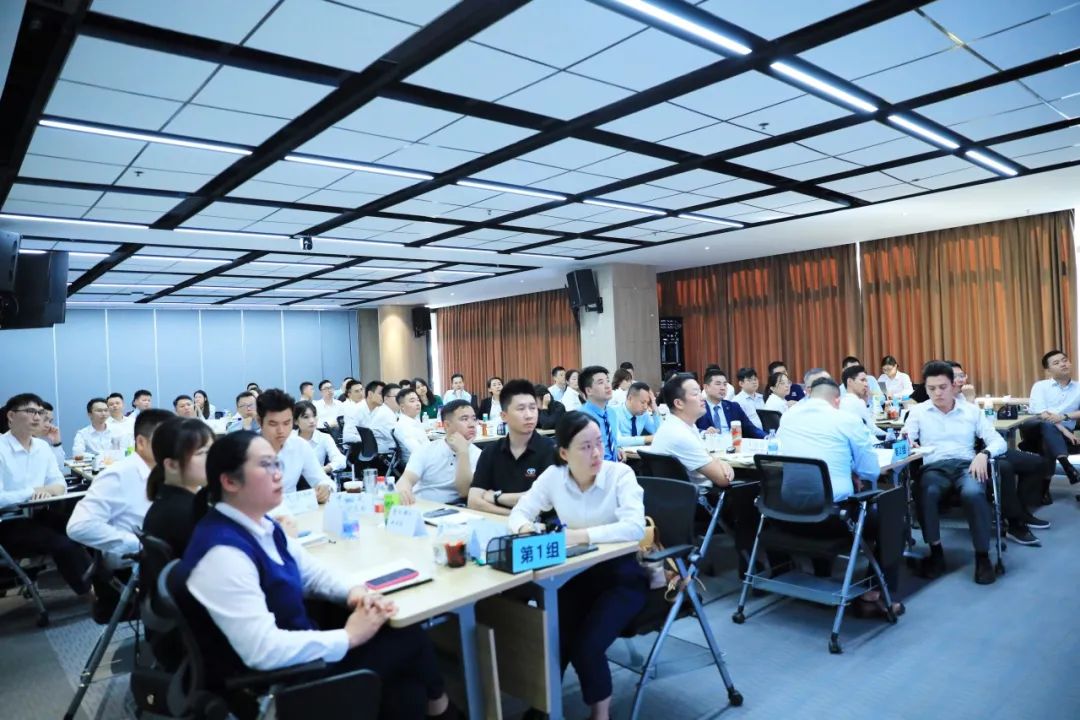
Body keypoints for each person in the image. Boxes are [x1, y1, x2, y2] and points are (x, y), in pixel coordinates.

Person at [182, 432, 457, 720]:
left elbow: (312, 573)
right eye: (266, 465)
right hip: (283, 680)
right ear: (229, 482)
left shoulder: (262, 525)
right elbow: (262, 650)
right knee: (408, 639)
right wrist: (349, 637)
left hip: (303, 653)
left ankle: (439, 711)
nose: (278, 474)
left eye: (277, 463)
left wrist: (355, 592)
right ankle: (445, 712)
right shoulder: (223, 553)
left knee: (407, 689)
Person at [509, 411, 646, 720]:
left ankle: (600, 714)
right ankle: (545, 706)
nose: (596, 453)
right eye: (585, 446)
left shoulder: (620, 475)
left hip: (620, 577)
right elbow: (520, 512)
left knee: (587, 648)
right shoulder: (554, 477)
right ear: (564, 453)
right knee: (552, 640)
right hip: (572, 577)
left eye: (599, 443)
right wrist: (527, 529)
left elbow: (635, 527)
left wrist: (578, 536)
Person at [776, 378, 904, 616]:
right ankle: (873, 594)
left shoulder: (788, 417)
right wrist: (851, 470)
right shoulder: (846, 419)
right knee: (894, 519)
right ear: (837, 400)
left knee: (827, 495)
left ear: (810, 395)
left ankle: (821, 573)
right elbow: (870, 471)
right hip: (834, 519)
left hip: (786, 514)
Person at [902, 361, 1022, 585]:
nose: (937, 393)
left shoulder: (971, 411)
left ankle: (982, 556)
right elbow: (906, 438)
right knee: (926, 491)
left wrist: (984, 454)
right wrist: (909, 444)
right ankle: (936, 552)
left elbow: (997, 441)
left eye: (942, 387)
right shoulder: (918, 412)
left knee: (973, 493)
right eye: (931, 388)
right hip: (934, 467)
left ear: (953, 385)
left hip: (967, 465)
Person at [0, 393, 91, 594]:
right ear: (11, 416)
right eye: (30, 411)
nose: (37, 417)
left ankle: (107, 587)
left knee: (86, 528)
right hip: (8, 522)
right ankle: (91, 595)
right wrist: (32, 492)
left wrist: (48, 490)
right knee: (64, 545)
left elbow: (59, 483)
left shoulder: (42, 447)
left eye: (40, 412)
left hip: (39, 515)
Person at [67, 408, 174, 558]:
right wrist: (141, 545)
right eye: (166, 440)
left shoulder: (169, 470)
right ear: (141, 442)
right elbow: (80, 526)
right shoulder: (118, 475)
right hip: (135, 559)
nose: (175, 446)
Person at [141, 417, 214, 590]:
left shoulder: (169, 500)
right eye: (201, 453)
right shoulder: (185, 513)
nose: (213, 459)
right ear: (172, 465)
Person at [469, 380, 555, 515]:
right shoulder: (490, 452)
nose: (529, 415)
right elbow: (474, 501)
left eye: (533, 408)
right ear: (504, 416)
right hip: (499, 523)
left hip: (540, 526)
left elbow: (545, 499)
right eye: (521, 409)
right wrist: (513, 516)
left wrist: (497, 497)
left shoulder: (551, 449)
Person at [652, 374, 736, 487]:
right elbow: (724, 480)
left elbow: (707, 454)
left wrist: (720, 462)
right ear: (679, 403)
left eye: (700, 392)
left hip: (677, 494)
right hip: (700, 495)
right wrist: (727, 466)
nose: (702, 398)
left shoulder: (681, 425)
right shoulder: (680, 434)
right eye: (695, 394)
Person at [257, 389, 335, 501]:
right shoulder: (245, 451)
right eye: (273, 424)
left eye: (286, 423)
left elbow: (322, 479)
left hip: (293, 509)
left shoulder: (299, 445)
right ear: (259, 421)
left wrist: (325, 488)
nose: (281, 430)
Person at [397, 400, 480, 505]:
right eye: (464, 419)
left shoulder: (479, 455)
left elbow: (465, 492)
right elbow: (407, 479)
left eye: (474, 419)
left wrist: (463, 452)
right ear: (447, 425)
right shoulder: (426, 449)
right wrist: (403, 489)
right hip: (422, 505)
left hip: (456, 508)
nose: (472, 424)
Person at [1027, 349, 1080, 486]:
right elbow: (1042, 414)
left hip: (1058, 436)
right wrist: (1064, 430)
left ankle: (1045, 488)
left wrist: (1063, 416)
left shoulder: (1079, 387)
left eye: (1065, 360)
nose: (1063, 364)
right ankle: (1066, 464)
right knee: (1047, 425)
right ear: (1048, 370)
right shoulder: (1040, 386)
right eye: (1056, 363)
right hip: (1036, 430)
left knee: (1047, 444)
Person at [694, 368, 764, 439]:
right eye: (718, 384)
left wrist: (767, 437)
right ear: (706, 387)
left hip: (733, 443)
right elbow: (689, 429)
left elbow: (750, 428)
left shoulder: (734, 407)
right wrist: (703, 433)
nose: (723, 388)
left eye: (725, 384)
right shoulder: (697, 407)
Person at [578, 365, 621, 461]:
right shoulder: (581, 417)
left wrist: (617, 449)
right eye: (601, 382)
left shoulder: (612, 413)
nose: (608, 386)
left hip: (615, 466)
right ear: (588, 391)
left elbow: (611, 442)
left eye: (608, 381)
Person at [294, 401, 346, 474]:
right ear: (296, 421)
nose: (312, 421)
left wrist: (326, 468)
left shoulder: (324, 438)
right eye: (306, 417)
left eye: (314, 416)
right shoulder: (288, 439)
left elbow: (340, 460)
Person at [839, 365, 886, 439]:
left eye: (866, 381)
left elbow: (871, 429)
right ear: (850, 381)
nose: (866, 384)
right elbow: (872, 431)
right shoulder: (856, 402)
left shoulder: (845, 401)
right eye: (862, 380)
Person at [615, 381, 659, 447]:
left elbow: (660, 433)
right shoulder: (614, 412)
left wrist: (655, 408)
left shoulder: (644, 414)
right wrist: (647, 439)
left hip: (636, 452)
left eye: (648, 403)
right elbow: (617, 441)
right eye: (642, 402)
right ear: (630, 398)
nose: (645, 407)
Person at [393, 388, 430, 463]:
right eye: (412, 401)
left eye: (418, 400)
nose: (418, 403)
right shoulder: (403, 426)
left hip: (426, 459)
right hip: (418, 464)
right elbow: (418, 451)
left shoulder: (414, 420)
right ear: (402, 407)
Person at [344, 381, 385, 446]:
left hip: (381, 445)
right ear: (370, 394)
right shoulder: (354, 410)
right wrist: (370, 440)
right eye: (380, 393)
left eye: (361, 390)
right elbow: (347, 437)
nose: (383, 397)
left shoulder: (382, 409)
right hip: (360, 448)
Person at [366, 384, 399, 454]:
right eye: (397, 396)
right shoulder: (386, 414)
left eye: (402, 397)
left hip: (377, 450)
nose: (400, 400)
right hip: (384, 453)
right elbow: (398, 437)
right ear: (386, 398)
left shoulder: (382, 409)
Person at [35, 401, 66, 473]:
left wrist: (56, 443)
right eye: (45, 420)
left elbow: (59, 467)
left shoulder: (46, 441)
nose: (48, 425)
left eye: (50, 421)